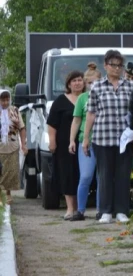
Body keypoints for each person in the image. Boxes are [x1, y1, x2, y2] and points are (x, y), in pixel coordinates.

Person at [83, 50, 133, 224]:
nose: (117, 68)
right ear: (105, 66)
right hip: (103, 137)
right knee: (104, 175)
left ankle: (121, 210)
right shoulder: (97, 86)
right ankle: (105, 211)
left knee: (123, 175)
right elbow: (91, 113)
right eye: (113, 65)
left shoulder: (129, 86)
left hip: (125, 139)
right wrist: (85, 138)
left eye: (120, 65)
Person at [47, 71, 85, 219]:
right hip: (64, 144)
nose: (77, 83)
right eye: (74, 80)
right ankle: (70, 208)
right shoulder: (60, 101)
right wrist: (52, 141)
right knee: (67, 174)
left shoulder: (88, 99)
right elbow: (51, 123)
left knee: (81, 175)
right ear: (69, 84)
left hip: (83, 143)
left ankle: (79, 208)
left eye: (80, 80)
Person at [68, 63, 102, 221]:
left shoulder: (106, 95)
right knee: (86, 176)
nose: (92, 85)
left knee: (102, 177)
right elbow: (76, 121)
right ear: (85, 84)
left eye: (95, 82)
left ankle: (101, 210)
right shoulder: (82, 98)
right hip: (85, 141)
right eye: (89, 83)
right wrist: (71, 141)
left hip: (103, 141)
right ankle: (80, 210)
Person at [0, 90, 27, 205]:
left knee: (10, 172)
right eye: (2, 100)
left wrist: (24, 144)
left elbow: (22, 127)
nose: (5, 102)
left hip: (13, 146)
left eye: (7, 100)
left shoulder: (15, 110)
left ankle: (8, 193)